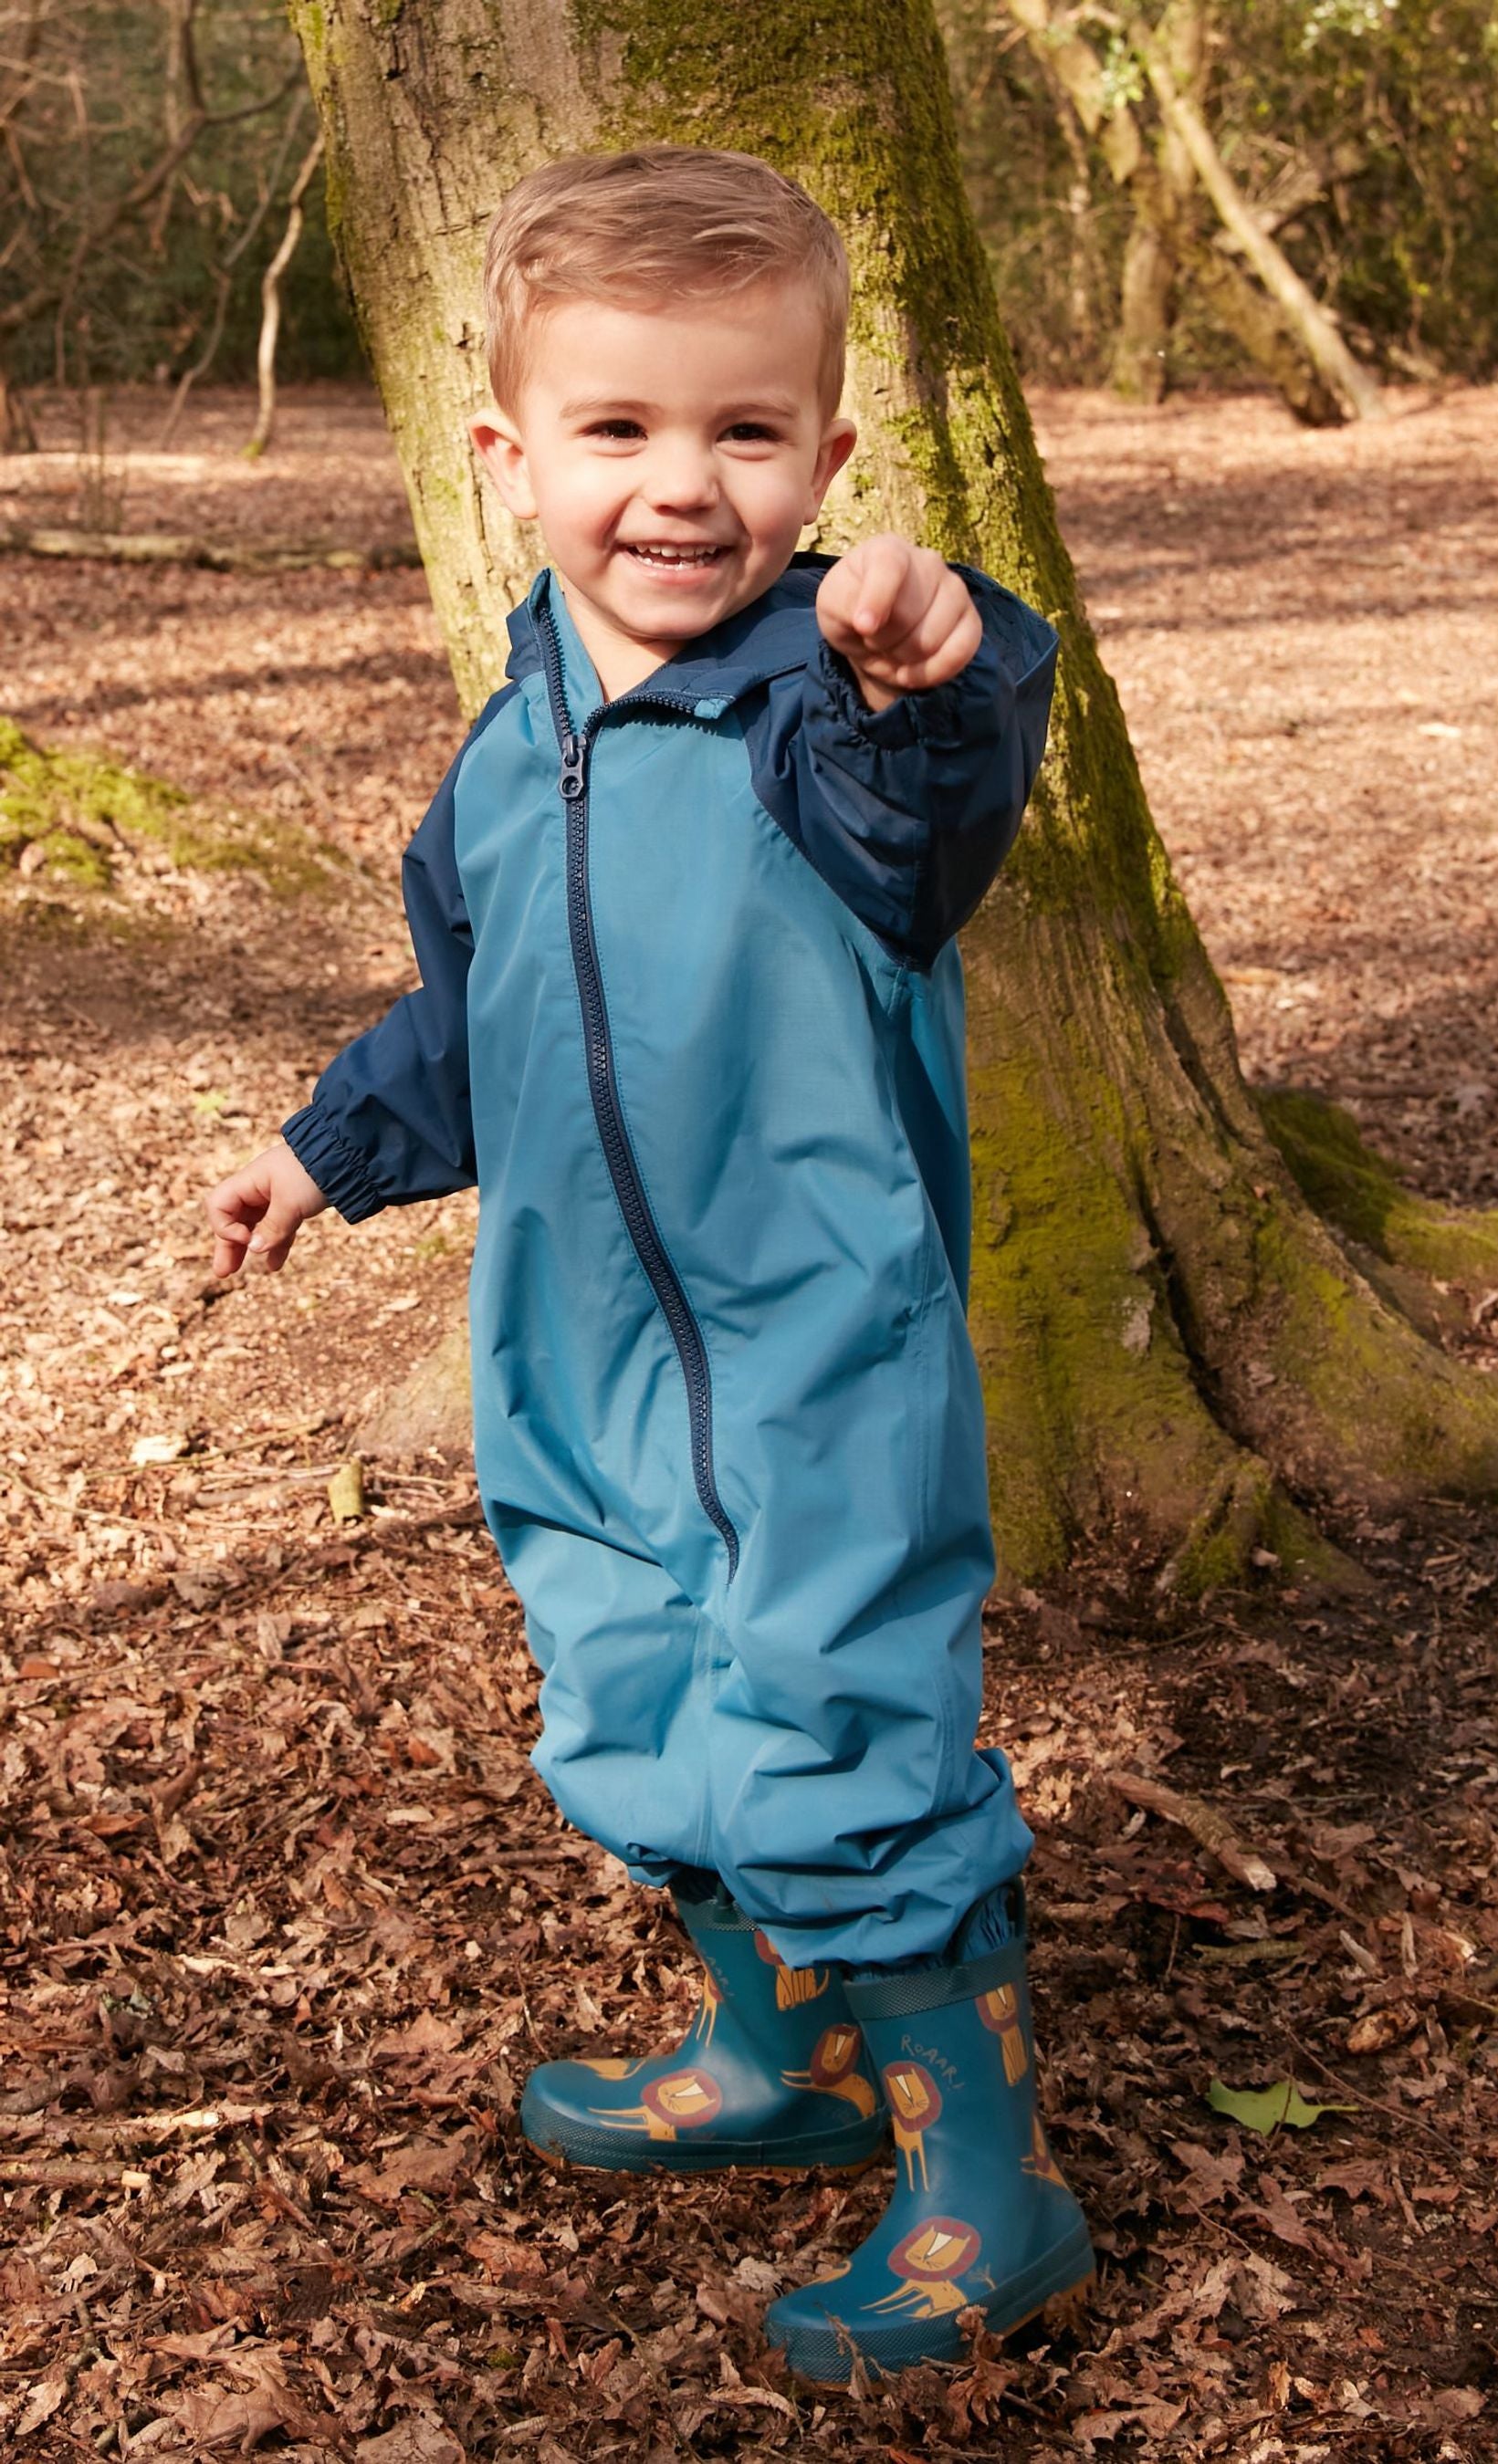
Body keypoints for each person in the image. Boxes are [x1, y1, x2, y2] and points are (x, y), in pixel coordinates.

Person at [203, 145, 1093, 2383]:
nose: (681, 487)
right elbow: (473, 1019)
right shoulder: (513, 757)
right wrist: (325, 1147)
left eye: (743, 431)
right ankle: (771, 2051)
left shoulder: (832, 722)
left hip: (816, 1373)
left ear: (828, 457)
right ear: (509, 460)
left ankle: (989, 2183)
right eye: (619, 430)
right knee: (639, 1710)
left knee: (846, 1745)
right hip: (578, 1366)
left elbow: (941, 803)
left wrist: (937, 673)